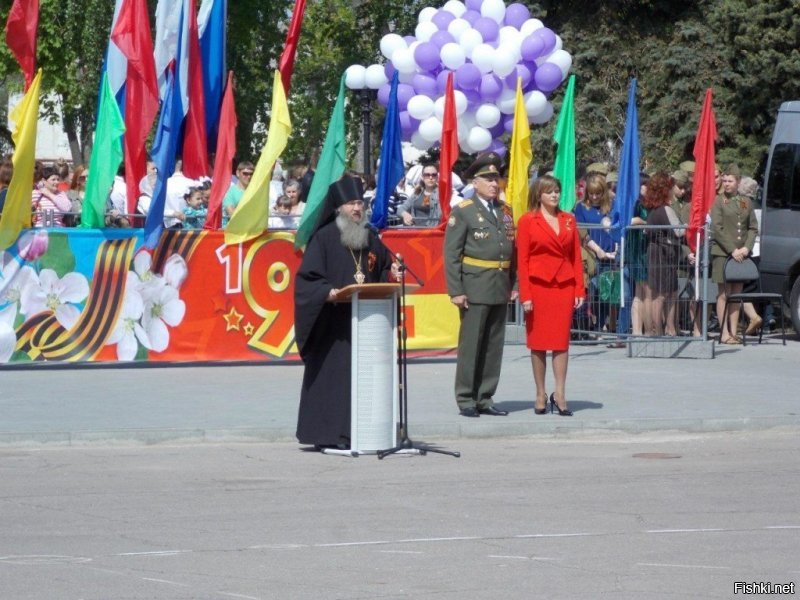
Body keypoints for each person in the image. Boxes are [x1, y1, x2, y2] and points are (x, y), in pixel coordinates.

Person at [294, 175, 400, 450]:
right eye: (352, 203)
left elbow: (382, 267)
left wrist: (393, 271)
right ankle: (329, 435)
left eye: (360, 203)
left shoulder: (370, 237)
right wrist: (326, 291)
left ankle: (366, 431)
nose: (357, 208)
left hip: (366, 323)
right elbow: (307, 280)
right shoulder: (324, 237)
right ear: (339, 207)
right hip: (334, 326)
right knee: (335, 381)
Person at [444, 152, 515, 418]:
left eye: (496, 178)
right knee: (472, 344)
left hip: (499, 284)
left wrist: (514, 283)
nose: (494, 183)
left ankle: (485, 396)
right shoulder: (463, 211)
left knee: (493, 345)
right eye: (487, 178)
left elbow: (512, 250)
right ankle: (465, 398)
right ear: (475, 182)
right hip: (474, 286)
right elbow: (451, 254)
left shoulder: (505, 211)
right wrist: (456, 290)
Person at [517, 175, 585, 416]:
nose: (554, 195)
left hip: (563, 287)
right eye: (549, 192)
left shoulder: (569, 220)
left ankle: (560, 393)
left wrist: (579, 289)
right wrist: (525, 294)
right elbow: (522, 261)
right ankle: (539, 393)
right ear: (539, 195)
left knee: (560, 342)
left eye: (556, 191)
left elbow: (576, 257)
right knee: (537, 343)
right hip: (538, 287)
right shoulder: (527, 221)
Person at [710, 164, 758, 344]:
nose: (727, 184)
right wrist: (733, 250)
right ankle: (724, 333)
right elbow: (717, 227)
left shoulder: (746, 201)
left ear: (738, 182)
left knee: (736, 294)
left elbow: (752, 227)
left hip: (741, 253)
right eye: (725, 180)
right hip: (723, 253)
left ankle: (733, 330)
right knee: (723, 294)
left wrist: (746, 247)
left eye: (730, 181)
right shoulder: (719, 201)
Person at [646, 171, 685, 336]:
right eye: (670, 187)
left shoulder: (653, 209)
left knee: (668, 292)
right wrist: (691, 225)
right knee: (662, 294)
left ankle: (669, 329)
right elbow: (678, 231)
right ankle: (662, 330)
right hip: (663, 254)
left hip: (658, 253)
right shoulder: (665, 209)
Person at [222, 161, 254, 227]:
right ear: (237, 173)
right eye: (245, 173)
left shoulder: (254, 192)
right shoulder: (230, 192)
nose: (248, 176)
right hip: (234, 232)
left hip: (251, 230)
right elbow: (232, 214)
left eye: (251, 174)